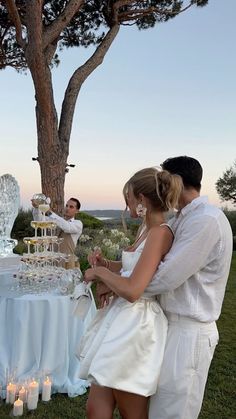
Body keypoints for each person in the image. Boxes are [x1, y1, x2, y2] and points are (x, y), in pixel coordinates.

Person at [97, 156, 233, 419]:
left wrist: (118, 286)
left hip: (189, 332)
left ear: (177, 182)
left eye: (165, 179)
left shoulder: (206, 220)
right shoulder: (184, 218)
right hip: (171, 327)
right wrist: (117, 273)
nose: (162, 185)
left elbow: (164, 278)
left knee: (173, 413)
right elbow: (152, 268)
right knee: (160, 410)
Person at [79, 167, 183, 419]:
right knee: (95, 409)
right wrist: (106, 265)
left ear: (142, 200)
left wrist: (100, 275)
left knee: (130, 411)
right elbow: (131, 268)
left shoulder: (161, 233)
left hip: (137, 327)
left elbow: (135, 289)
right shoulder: (144, 230)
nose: (127, 203)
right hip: (120, 319)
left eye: (129, 197)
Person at [31, 197, 83, 268]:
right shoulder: (58, 220)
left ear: (77, 211)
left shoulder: (78, 224)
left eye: (71, 207)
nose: (67, 208)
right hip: (52, 262)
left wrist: (50, 213)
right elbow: (39, 220)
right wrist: (36, 208)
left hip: (67, 263)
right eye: (66, 206)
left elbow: (67, 227)